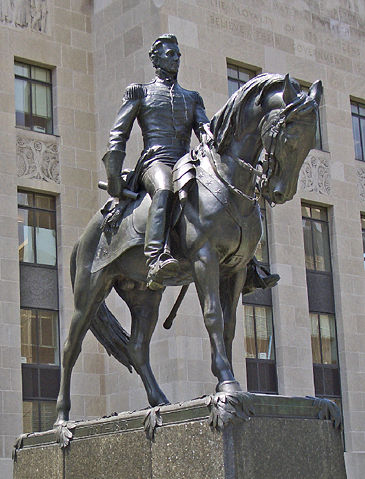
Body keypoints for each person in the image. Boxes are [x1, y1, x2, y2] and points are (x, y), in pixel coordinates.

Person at [102, 33, 279, 293]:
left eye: (178, 55)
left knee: (227, 195)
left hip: (186, 162)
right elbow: (118, 135)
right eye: (169, 54)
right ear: (155, 58)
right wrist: (114, 178)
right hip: (155, 161)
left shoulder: (191, 97)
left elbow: (203, 127)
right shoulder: (140, 93)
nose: (175, 59)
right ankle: (156, 258)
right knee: (163, 189)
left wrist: (212, 138)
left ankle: (248, 262)